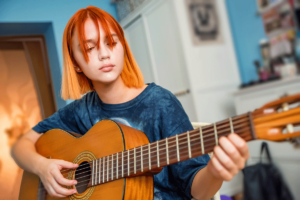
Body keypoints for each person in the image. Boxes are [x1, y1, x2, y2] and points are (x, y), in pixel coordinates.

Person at [11, 6, 249, 200]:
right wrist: (42, 167)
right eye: (90, 48)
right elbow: (21, 146)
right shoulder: (81, 110)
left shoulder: (159, 103)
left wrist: (215, 173)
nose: (104, 54)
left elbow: (198, 190)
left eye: (111, 42)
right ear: (75, 63)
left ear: (123, 46)